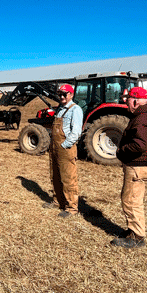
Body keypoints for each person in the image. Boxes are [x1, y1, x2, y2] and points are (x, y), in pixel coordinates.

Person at [111, 87, 147, 248]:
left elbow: (140, 144)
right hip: (141, 165)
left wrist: (121, 151)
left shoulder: (141, 119)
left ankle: (137, 237)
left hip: (136, 166)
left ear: (135, 100)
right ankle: (132, 230)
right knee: (135, 199)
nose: (125, 102)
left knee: (130, 201)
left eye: (127, 99)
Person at [43, 84, 84, 218]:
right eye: (59, 94)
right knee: (55, 175)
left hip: (65, 148)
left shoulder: (75, 109)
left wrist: (64, 145)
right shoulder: (60, 109)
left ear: (71, 95)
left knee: (68, 178)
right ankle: (57, 201)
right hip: (54, 147)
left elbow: (76, 131)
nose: (61, 97)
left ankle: (72, 208)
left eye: (64, 94)